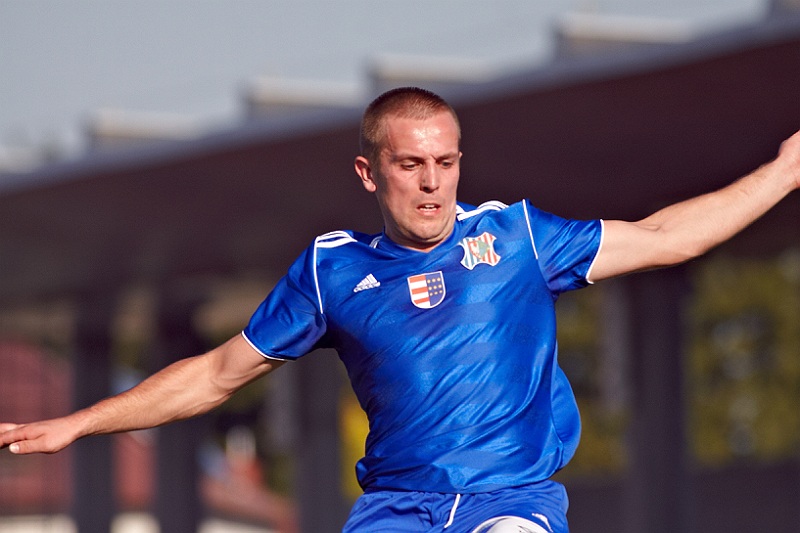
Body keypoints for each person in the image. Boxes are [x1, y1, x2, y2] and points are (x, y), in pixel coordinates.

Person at [1, 87, 799, 533]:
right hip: (397, 511)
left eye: (446, 162)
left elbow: (665, 237)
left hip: (510, 503)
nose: (432, 183)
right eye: (412, 163)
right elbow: (215, 374)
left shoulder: (517, 238)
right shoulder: (331, 272)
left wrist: (784, 172)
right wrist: (80, 422)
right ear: (368, 171)